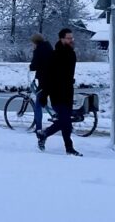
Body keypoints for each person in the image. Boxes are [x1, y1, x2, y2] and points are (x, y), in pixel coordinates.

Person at [36, 28, 82, 156]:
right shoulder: (54, 55)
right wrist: (44, 94)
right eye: (68, 38)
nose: (71, 40)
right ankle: (69, 147)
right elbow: (48, 76)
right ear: (61, 39)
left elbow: (68, 74)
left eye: (72, 38)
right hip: (56, 93)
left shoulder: (72, 54)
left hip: (68, 92)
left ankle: (44, 134)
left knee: (65, 121)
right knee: (65, 120)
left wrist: (70, 80)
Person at [27, 32, 54, 134]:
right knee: (55, 103)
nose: (32, 45)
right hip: (53, 79)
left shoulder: (38, 50)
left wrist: (31, 67)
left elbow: (34, 65)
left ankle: (38, 128)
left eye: (32, 43)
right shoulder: (48, 47)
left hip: (44, 81)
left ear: (35, 42)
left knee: (38, 105)